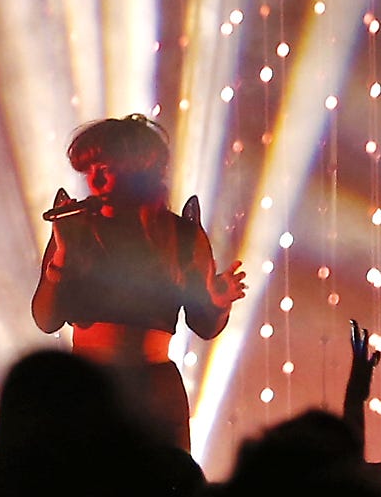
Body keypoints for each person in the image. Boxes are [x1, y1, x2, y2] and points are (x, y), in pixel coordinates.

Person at [28, 114, 244, 449]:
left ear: (140, 168)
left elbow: (203, 324)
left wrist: (217, 301)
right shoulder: (76, 228)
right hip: (88, 389)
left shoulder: (183, 235)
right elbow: (46, 319)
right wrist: (62, 254)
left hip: (154, 391)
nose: (93, 180)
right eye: (89, 170)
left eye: (106, 168)